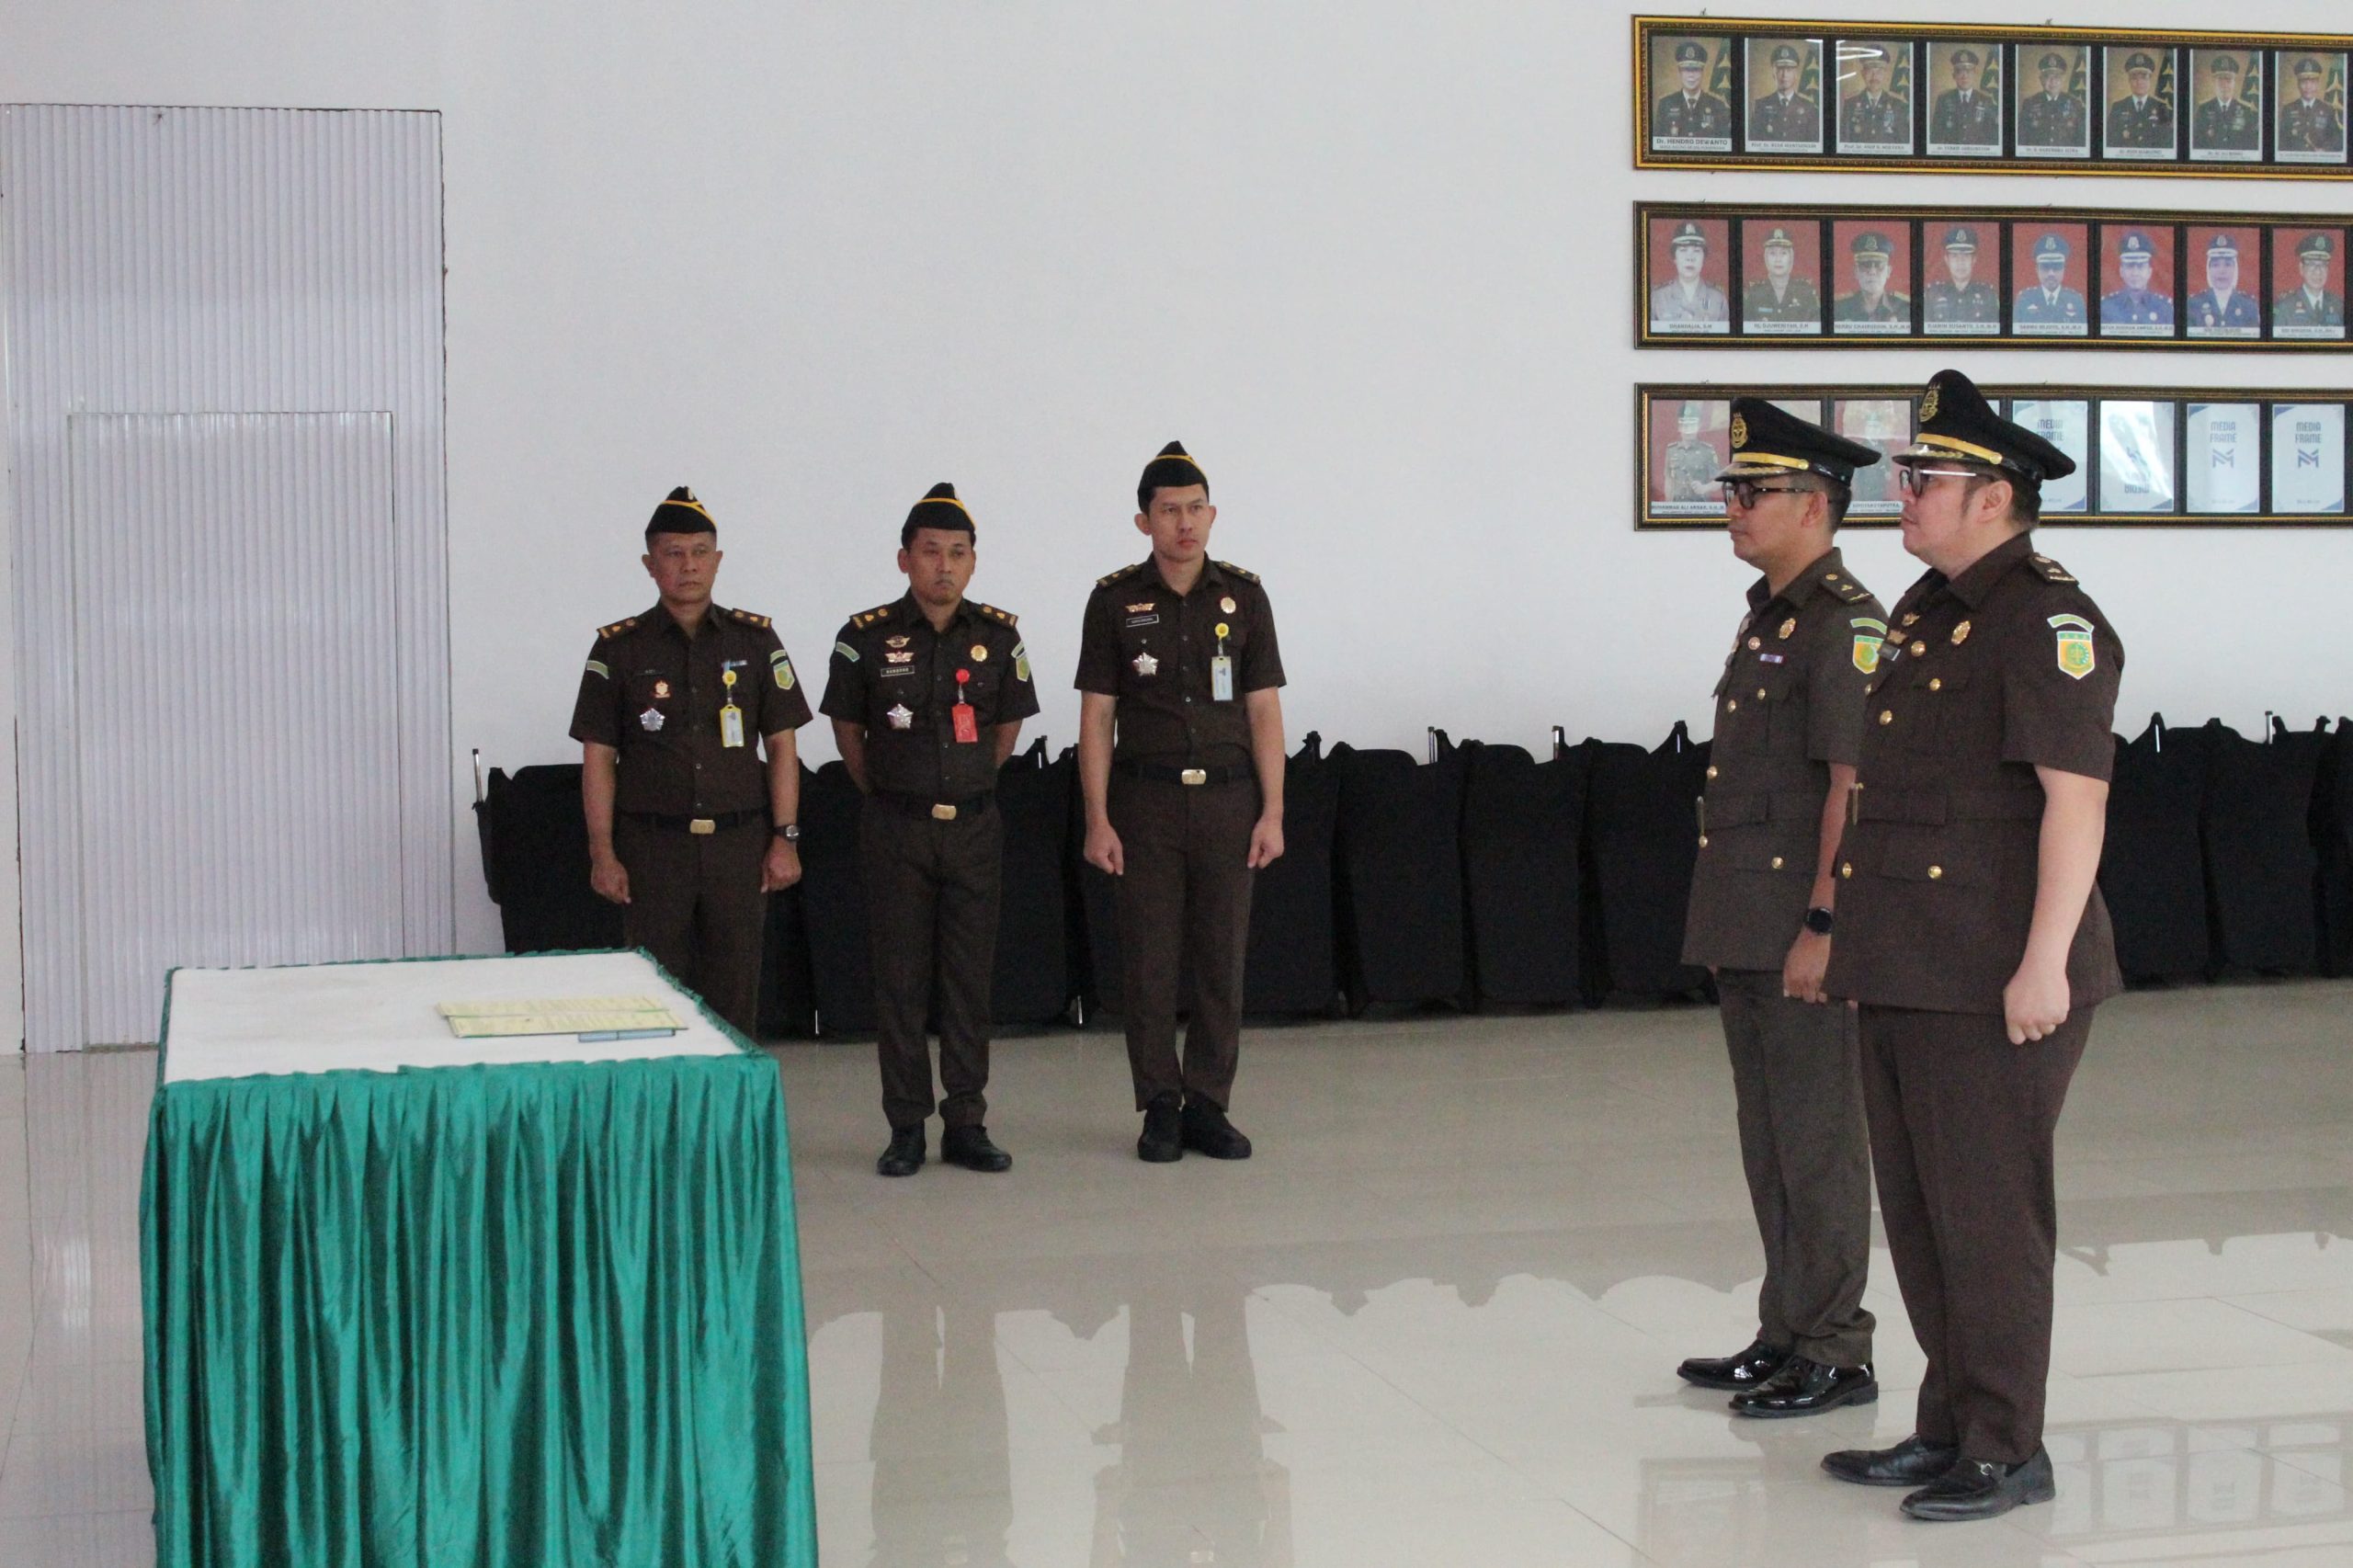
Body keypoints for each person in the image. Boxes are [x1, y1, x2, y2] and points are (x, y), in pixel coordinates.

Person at [1822, 369, 2124, 1523]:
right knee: (1920, 1214)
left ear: (1992, 496)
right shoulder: (1926, 606)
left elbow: (2075, 800)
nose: (1902, 493)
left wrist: (2044, 959)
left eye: (1924, 477)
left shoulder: (2045, 620)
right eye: (1906, 474)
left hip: (1993, 969)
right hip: (1908, 959)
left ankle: (2005, 1445)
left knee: (1989, 1218)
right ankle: (1947, 1422)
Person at [1677, 398, 1887, 1420]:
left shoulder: (1844, 623)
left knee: (1818, 1143)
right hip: (1747, 919)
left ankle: (1838, 1348)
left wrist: (1823, 924)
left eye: (1751, 492)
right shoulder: (1772, 614)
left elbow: (1852, 783)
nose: (1733, 506)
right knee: (1769, 1140)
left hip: (1799, 927)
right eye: (1732, 489)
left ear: (1814, 505)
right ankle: (1788, 1328)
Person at [1077, 443, 1287, 1162]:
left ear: (1213, 514)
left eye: (1196, 509)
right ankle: (1159, 1105)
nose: (1185, 524)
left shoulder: (1245, 597)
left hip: (1230, 800)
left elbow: (1264, 710)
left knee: (1222, 960)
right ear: (1144, 522)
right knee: (1150, 961)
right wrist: (1098, 818)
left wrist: (1273, 811)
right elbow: (1097, 717)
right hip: (1147, 802)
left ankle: (1209, 1102)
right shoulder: (1114, 601)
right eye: (1169, 511)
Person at [823, 483, 1039, 1178]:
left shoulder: (999, 637)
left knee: (969, 980)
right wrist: (897, 791)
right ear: (904, 559)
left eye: (958, 553)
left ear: (973, 561)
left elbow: (1005, 731)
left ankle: (967, 1122)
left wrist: (964, 784)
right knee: (901, 981)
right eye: (931, 552)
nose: (944, 565)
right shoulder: (862, 638)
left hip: (973, 828)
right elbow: (849, 734)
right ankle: (907, 1126)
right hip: (896, 827)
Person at [572, 486, 809, 1037]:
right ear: (650, 565)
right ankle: (663, 1097)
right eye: (674, 554)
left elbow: (782, 747)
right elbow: (598, 758)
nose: (689, 566)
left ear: (718, 560)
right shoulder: (619, 649)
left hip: (739, 848)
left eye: (700, 552)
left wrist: (786, 837)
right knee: (654, 1000)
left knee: (735, 999)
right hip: (654, 849)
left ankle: (729, 1098)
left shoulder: (756, 641)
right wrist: (602, 852)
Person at [1652, 222, 1729, 327]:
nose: (1690, 258)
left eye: (1696, 251)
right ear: (1675, 258)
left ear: (1703, 258)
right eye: (1683, 250)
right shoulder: (1658, 297)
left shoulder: (1718, 299)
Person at [1742, 225, 1821, 326]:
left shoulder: (1805, 292)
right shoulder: (1754, 294)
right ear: (1765, 258)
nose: (1778, 259)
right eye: (1772, 253)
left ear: (1791, 257)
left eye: (1783, 253)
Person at [1922, 225, 1997, 327]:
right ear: (1947, 260)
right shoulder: (1932, 294)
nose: (1960, 262)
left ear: (1974, 260)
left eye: (1965, 256)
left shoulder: (1988, 295)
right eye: (1954, 256)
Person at [1655, 40, 1732, 141]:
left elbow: (1724, 144)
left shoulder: (1717, 105)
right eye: (1686, 70)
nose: (1691, 75)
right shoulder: (1666, 104)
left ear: (1702, 72)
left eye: (1696, 69)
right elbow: (1656, 142)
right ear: (1679, 72)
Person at [2186, 232, 2260, 334]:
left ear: (2235, 269)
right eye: (2215, 265)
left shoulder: (2248, 305)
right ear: (2208, 269)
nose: (2222, 271)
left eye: (2227, 265)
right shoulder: (2194, 304)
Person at [2098, 231, 2174, 327]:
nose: (2135, 273)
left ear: (2149, 271)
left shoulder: (2164, 308)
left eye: (2141, 266)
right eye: (2130, 266)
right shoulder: (2105, 307)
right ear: (2121, 271)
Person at [1834, 232, 1907, 324]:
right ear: (1856, 271)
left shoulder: (1905, 309)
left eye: (1879, 265)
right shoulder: (1838, 309)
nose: (1872, 272)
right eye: (1865, 265)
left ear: (1888, 272)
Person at [2275, 233, 2346, 330]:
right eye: (2312, 264)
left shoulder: (2339, 306)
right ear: (2301, 269)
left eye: (2323, 265)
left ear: (2328, 269)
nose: (2318, 271)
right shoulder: (2285, 306)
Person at [1751, 44, 1820, 143]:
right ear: (1774, 73)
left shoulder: (1809, 108)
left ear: (1795, 74)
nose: (1784, 75)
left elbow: (1813, 145)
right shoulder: (1761, 106)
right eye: (1780, 70)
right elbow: (1754, 143)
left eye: (1789, 70)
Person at [2013, 234, 2086, 329]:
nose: (2051, 273)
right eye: (2045, 267)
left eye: (2056, 267)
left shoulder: (2076, 300)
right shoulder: (2025, 300)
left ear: (2064, 269)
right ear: (2037, 270)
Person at [1930, 48, 1998, 147]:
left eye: (1968, 71)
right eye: (1959, 72)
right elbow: (1936, 136)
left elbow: (1992, 137)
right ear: (1954, 76)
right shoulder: (1943, 99)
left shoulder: (1985, 100)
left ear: (1974, 74)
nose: (1964, 76)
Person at [2106, 52, 2173, 151]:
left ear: (2150, 81)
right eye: (2134, 78)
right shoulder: (2118, 107)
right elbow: (2110, 142)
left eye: (2144, 78)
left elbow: (2167, 143)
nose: (2139, 82)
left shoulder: (2161, 107)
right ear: (2129, 81)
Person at [2193, 53, 2260, 152]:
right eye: (2220, 80)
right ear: (2214, 83)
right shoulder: (2203, 109)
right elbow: (2196, 144)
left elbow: (2252, 145)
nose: (2224, 85)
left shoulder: (2246, 110)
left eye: (2228, 80)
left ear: (2234, 83)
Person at [2018, 51, 2086, 148]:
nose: (2052, 81)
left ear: (2063, 79)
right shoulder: (2029, 103)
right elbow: (2021, 139)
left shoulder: (2075, 104)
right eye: (2047, 76)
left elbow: (2082, 141)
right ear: (2041, 79)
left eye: (2057, 77)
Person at [1841, 51, 1908, 145]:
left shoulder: (1898, 105)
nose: (1874, 77)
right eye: (1870, 71)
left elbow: (1904, 144)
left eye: (1879, 72)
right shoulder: (1850, 104)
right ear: (1863, 73)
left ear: (1885, 74)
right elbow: (1844, 142)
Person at [2282, 56, 2346, 155]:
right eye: (2304, 82)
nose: (2308, 87)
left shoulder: (2328, 110)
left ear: (2318, 84)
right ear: (2298, 84)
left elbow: (2337, 140)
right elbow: (2282, 142)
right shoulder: (2288, 109)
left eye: (2312, 82)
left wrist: (2325, 150)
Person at [1665, 403, 1721, 501]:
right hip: (1677, 506)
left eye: (1692, 425)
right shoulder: (1672, 450)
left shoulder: (1707, 451)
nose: (1688, 430)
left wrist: (1705, 488)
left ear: (1698, 426)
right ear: (1679, 427)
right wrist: (1668, 504)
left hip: (1700, 505)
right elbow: (1668, 480)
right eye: (1685, 425)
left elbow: (1720, 481)